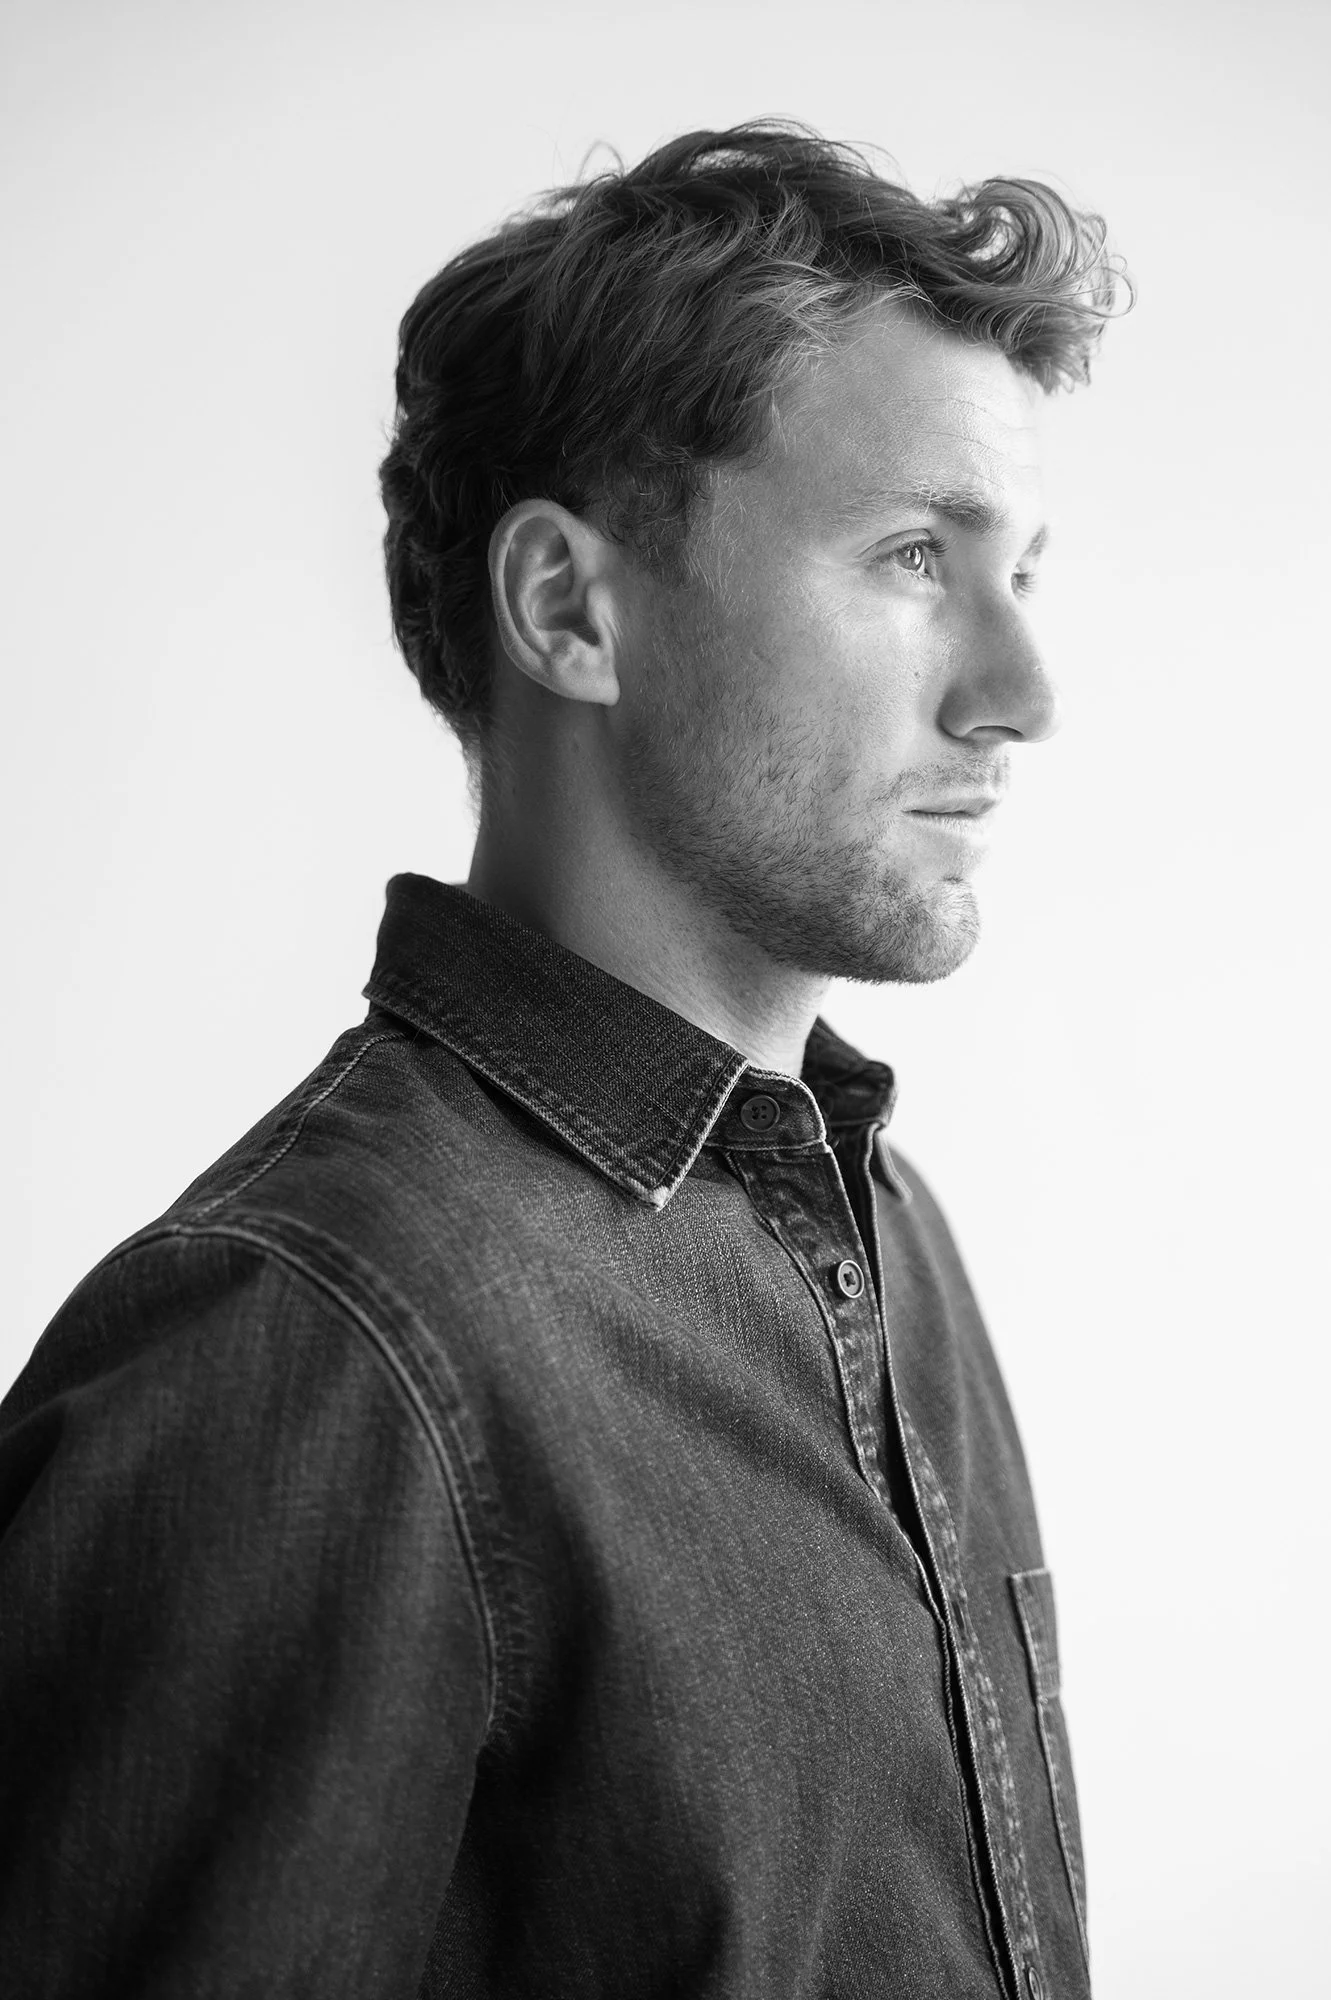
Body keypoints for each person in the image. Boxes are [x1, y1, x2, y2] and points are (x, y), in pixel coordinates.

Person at [0, 122, 1127, 1998]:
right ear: (566, 610)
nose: (1019, 693)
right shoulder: (304, 1342)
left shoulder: (881, 1234)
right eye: (913, 557)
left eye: (1021, 572)